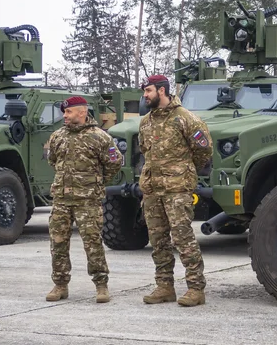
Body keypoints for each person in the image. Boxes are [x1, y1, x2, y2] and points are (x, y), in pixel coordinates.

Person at [138, 74, 213, 307]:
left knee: (183, 238)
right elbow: (144, 150)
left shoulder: (186, 119)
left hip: (177, 189)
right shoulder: (146, 122)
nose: (145, 95)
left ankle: (195, 288)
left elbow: (204, 150)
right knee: (158, 240)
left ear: (162, 91)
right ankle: (164, 286)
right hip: (152, 189)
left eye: (148, 90)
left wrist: (183, 171)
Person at [45, 95, 123, 303]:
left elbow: (115, 163)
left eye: (68, 112)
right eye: (65, 112)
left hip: (87, 200)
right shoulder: (57, 136)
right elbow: (52, 160)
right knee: (58, 243)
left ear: (82, 112)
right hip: (61, 199)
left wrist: (97, 182)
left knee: (92, 243)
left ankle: (101, 285)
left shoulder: (99, 137)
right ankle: (60, 284)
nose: (65, 115)